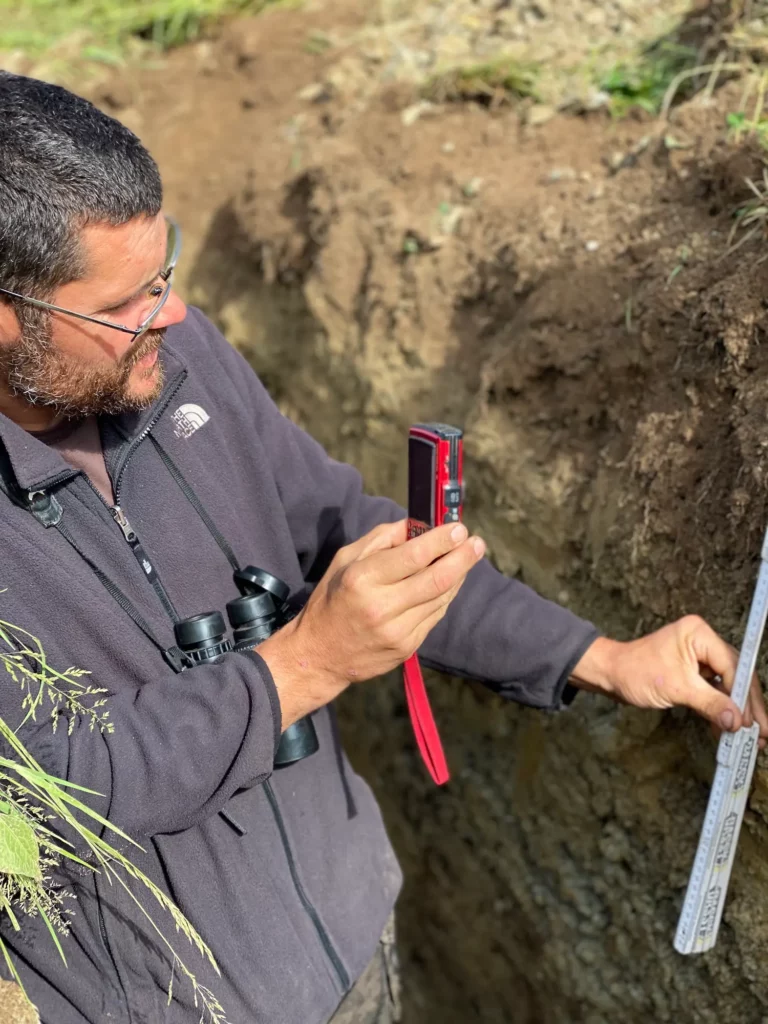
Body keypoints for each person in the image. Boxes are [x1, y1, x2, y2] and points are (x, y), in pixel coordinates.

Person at [0, 71, 764, 1024]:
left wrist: (593, 654)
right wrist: (299, 668)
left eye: (166, 272)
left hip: (352, 943)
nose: (172, 313)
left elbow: (344, 527)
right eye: (125, 301)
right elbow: (41, 793)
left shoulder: (175, 362)